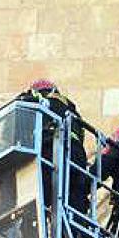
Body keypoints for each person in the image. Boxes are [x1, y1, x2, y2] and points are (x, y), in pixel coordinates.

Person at [16, 79, 89, 216]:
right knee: (74, 199)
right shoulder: (71, 109)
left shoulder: (42, 101)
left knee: (41, 193)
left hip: (54, 149)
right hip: (77, 154)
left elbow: (22, 106)